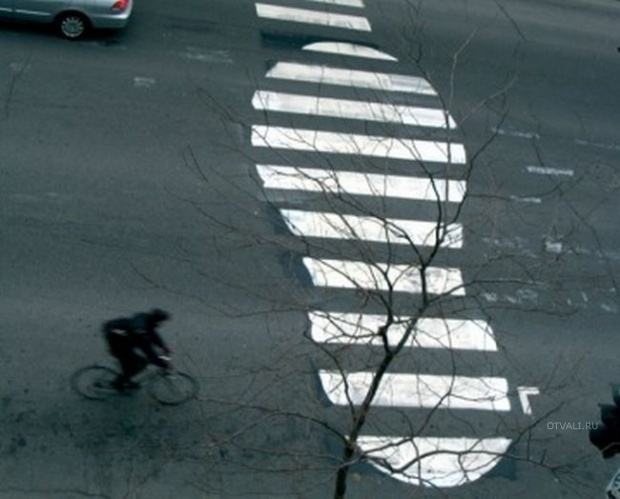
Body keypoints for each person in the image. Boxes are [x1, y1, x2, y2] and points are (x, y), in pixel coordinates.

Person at [102, 308, 172, 390]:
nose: (161, 324)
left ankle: (125, 380)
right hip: (118, 343)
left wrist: (163, 347)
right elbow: (149, 352)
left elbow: (153, 335)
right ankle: (118, 383)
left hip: (120, 338)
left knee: (135, 364)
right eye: (161, 322)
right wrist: (163, 365)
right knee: (139, 363)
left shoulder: (146, 321)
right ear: (157, 320)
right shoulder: (140, 332)